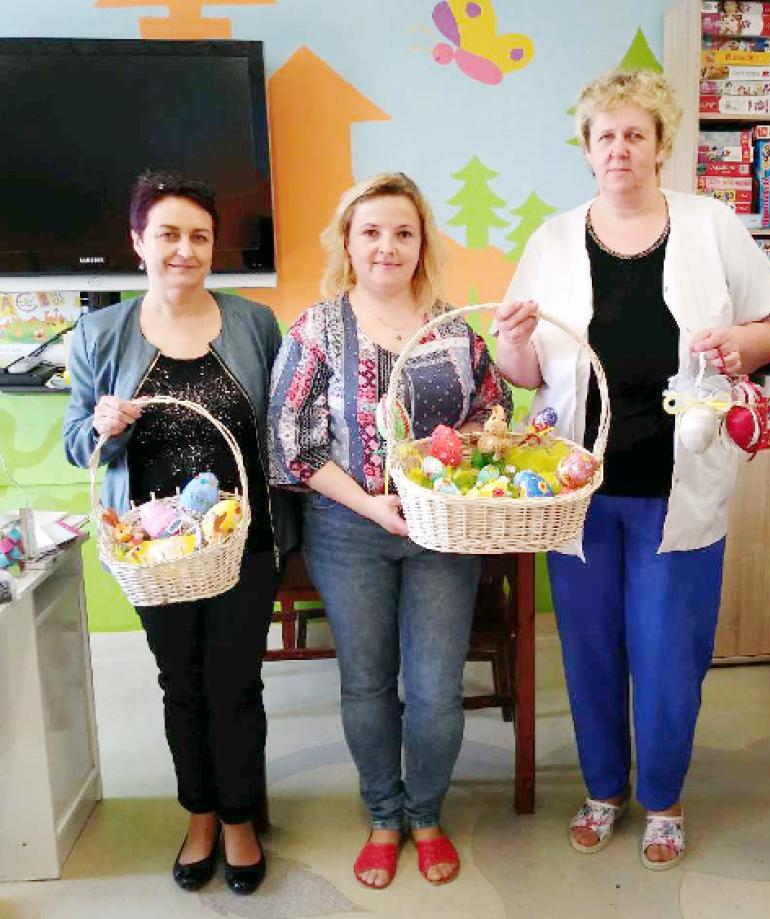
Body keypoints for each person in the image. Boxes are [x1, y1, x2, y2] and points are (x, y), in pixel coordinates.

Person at [492, 69, 770, 869]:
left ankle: (663, 797)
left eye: (635, 134)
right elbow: (524, 371)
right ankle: (602, 790)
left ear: (661, 145)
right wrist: (512, 340)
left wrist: (740, 345)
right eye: (605, 136)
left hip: (677, 484)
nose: (619, 148)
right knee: (589, 649)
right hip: (579, 488)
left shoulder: (711, 225)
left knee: (668, 655)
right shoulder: (553, 240)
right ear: (587, 149)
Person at [267, 172, 512, 889]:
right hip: (348, 529)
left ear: (422, 243)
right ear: (347, 242)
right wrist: (375, 506)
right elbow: (292, 442)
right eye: (371, 231)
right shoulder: (317, 329)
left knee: (435, 687)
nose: (387, 246)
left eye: (403, 232)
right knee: (368, 680)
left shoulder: (454, 329)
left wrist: (460, 463)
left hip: (441, 533)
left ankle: (425, 813)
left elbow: (491, 411)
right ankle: (383, 814)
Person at [63, 171, 298, 895]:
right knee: (180, 683)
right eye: (167, 234)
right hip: (153, 553)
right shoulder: (99, 333)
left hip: (241, 544)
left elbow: (280, 432)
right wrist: (101, 426)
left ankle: (239, 818)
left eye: (199, 236)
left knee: (235, 682)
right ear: (138, 242)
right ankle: (199, 815)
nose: (185, 250)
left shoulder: (255, 324)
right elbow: (76, 445)